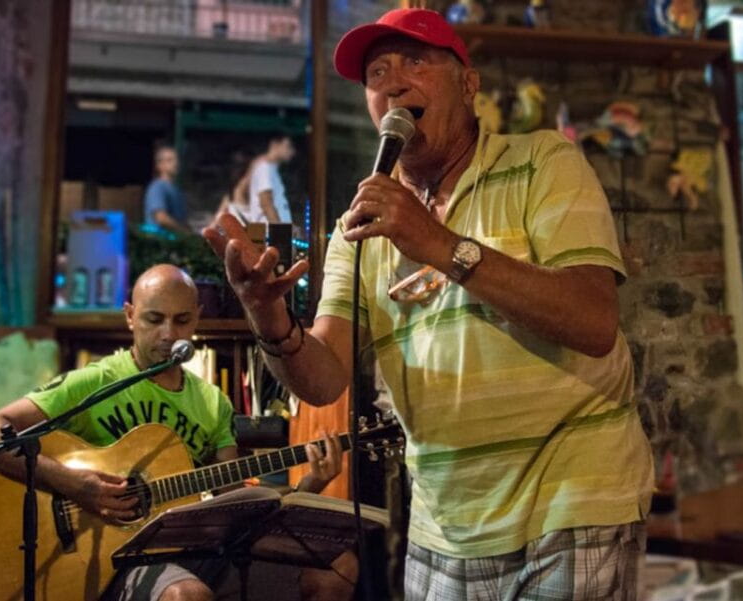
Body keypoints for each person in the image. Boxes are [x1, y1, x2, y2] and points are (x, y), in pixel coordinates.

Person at [204, 8, 653, 600]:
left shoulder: (543, 163)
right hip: (443, 525)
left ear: (468, 84)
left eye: (414, 61)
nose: (392, 83)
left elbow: (593, 321)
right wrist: (267, 316)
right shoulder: (356, 230)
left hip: (573, 500)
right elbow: (322, 378)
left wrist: (436, 243)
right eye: (376, 73)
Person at [0, 264, 344, 601]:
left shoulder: (213, 403)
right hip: (114, 556)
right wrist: (76, 485)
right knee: (185, 595)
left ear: (197, 318)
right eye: (154, 319)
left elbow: (237, 508)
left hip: (191, 550)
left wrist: (308, 485)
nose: (168, 333)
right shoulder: (95, 382)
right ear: (130, 316)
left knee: (333, 574)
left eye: (182, 320)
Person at [246, 133, 295, 225]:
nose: (292, 152)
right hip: (268, 231)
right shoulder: (265, 168)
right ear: (275, 145)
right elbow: (266, 203)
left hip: (269, 230)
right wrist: (280, 230)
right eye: (288, 146)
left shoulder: (270, 169)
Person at [144, 145, 191, 234]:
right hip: (160, 240)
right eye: (170, 160)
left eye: (176, 159)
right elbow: (161, 218)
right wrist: (184, 231)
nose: (175, 163)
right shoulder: (157, 187)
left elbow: (182, 220)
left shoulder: (178, 190)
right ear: (159, 165)